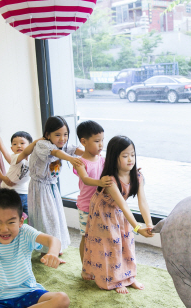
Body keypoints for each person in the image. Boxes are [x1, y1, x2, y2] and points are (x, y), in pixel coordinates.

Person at [82, 135, 154, 294]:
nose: (130, 159)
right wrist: (137, 228)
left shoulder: (138, 176)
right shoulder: (110, 180)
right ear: (114, 158)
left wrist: (148, 224)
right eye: (125, 155)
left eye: (133, 155)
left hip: (119, 212)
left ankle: (129, 277)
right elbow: (123, 204)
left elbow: (143, 201)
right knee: (111, 245)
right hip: (104, 213)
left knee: (127, 242)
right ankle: (114, 280)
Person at [27, 116, 84, 256]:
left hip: (51, 187)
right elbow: (56, 153)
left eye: (65, 134)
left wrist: (94, 155)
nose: (62, 138)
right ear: (48, 135)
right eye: (57, 135)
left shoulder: (62, 145)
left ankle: (54, 247)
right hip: (39, 188)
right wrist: (71, 159)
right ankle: (45, 250)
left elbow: (75, 149)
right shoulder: (42, 144)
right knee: (46, 219)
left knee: (55, 218)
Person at [73, 120, 113, 275]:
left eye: (102, 140)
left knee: (101, 237)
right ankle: (85, 268)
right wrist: (100, 182)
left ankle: (99, 264)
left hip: (101, 206)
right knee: (86, 237)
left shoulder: (102, 159)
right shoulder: (80, 162)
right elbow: (85, 179)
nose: (101, 144)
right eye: (97, 141)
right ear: (83, 141)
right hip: (86, 207)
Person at [0, 131, 33, 215]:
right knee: (14, 216)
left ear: (30, 145)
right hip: (10, 192)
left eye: (22, 143)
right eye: (14, 144)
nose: (18, 145)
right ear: (12, 148)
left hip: (24, 192)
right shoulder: (15, 157)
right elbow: (6, 153)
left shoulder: (32, 160)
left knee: (27, 216)